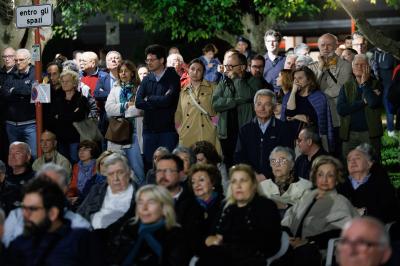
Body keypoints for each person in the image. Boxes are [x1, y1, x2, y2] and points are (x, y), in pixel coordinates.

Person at [281, 155, 359, 266]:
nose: (324, 180)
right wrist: (288, 236)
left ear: (337, 179)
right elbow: (288, 219)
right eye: (320, 175)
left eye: (330, 175)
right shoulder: (307, 197)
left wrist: (309, 241)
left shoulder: (340, 202)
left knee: (302, 253)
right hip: (292, 243)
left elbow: (344, 231)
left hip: (319, 251)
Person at [198, 164, 281, 266]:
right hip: (222, 255)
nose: (238, 186)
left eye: (243, 181)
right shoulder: (226, 206)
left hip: (252, 259)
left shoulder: (266, 205)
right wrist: (210, 240)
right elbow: (211, 235)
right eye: (234, 181)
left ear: (254, 184)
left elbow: (271, 243)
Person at [5, 178, 100, 266]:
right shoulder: (18, 244)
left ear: (52, 213)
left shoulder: (81, 240)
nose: (25, 215)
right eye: (24, 208)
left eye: (32, 209)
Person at [2, 163, 91, 248]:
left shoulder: (80, 227)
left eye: (52, 187)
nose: (45, 191)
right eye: (41, 185)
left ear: (65, 190)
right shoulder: (16, 216)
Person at [108, 185, 190, 266]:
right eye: (140, 202)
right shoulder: (129, 227)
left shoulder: (176, 234)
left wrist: (147, 236)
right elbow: (113, 258)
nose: (144, 208)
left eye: (151, 202)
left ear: (164, 207)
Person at [212, 52, 264, 168]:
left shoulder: (254, 81)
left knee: (246, 164)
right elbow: (215, 104)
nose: (228, 69)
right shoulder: (224, 81)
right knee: (228, 164)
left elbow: (246, 94)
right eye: (227, 66)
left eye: (231, 66)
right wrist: (235, 102)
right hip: (226, 133)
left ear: (242, 67)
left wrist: (236, 78)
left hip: (245, 132)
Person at [136, 44, 180, 172]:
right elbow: (138, 102)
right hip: (149, 130)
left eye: (152, 60)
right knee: (151, 166)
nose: (149, 62)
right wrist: (159, 101)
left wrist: (149, 98)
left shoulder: (173, 77)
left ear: (161, 60)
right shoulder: (147, 79)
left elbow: (168, 101)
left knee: (169, 165)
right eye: (147, 60)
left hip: (167, 130)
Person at [308, 33, 352, 157]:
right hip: (318, 117)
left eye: (329, 45)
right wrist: (321, 69)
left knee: (337, 152)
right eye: (323, 45)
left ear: (336, 46)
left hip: (336, 117)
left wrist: (319, 95)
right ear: (318, 46)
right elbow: (310, 89)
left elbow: (341, 89)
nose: (326, 48)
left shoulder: (346, 66)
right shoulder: (313, 67)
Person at [235, 89, 292, 181]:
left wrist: (266, 176)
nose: (262, 108)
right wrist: (253, 175)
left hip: (276, 180)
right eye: (259, 104)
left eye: (267, 104)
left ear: (273, 107)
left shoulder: (283, 129)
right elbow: (239, 156)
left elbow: (286, 156)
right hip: (251, 179)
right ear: (254, 107)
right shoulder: (245, 130)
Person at [337, 144, 400, 223]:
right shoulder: (341, 186)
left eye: (357, 158)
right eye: (349, 160)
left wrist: (365, 212)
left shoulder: (381, 184)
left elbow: (390, 211)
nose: (352, 161)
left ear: (369, 164)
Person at [105, 60, 145, 184]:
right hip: (117, 134)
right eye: (120, 71)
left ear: (132, 73)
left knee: (137, 170)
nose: (123, 74)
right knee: (118, 169)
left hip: (134, 134)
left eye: (125, 71)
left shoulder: (140, 88)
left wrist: (121, 110)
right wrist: (127, 105)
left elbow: (140, 110)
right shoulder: (115, 89)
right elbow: (109, 109)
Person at [337, 54, 383, 159]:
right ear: (352, 68)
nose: (359, 67)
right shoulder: (346, 86)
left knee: (372, 163)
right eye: (356, 64)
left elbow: (373, 103)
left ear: (369, 67)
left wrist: (364, 84)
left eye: (363, 65)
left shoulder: (376, 84)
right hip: (350, 134)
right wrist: (363, 102)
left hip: (369, 133)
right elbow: (341, 109)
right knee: (348, 164)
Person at [281, 66, 334, 152]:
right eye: (295, 78)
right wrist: (293, 92)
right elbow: (288, 114)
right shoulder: (289, 96)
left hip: (312, 142)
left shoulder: (319, 97)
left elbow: (317, 120)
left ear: (309, 80)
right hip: (292, 141)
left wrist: (296, 116)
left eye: (300, 78)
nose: (296, 81)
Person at [77, 153, 136, 229]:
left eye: (120, 172)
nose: (115, 178)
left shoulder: (135, 192)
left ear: (128, 173)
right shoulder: (96, 189)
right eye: (111, 174)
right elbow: (80, 212)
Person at [175, 58, 221, 154]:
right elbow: (178, 113)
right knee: (188, 164)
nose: (195, 72)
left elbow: (219, 109)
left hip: (207, 132)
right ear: (188, 70)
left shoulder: (213, 87)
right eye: (192, 69)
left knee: (209, 163)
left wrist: (215, 125)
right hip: (187, 134)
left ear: (203, 73)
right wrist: (179, 129)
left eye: (199, 70)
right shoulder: (183, 91)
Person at [1, 49, 37, 158]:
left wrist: (14, 90)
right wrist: (23, 90)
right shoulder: (11, 74)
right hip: (11, 124)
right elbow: (4, 92)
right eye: (16, 60)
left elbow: (33, 92)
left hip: (30, 124)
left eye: (21, 60)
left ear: (29, 60)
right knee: (15, 156)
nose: (17, 62)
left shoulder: (36, 72)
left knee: (33, 155)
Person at [184, 163, 224, 257]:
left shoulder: (225, 204)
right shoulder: (186, 206)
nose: (197, 185)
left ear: (212, 182)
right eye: (193, 182)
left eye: (201, 180)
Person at [52, 69, 90, 163]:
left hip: (76, 137)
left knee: (75, 161)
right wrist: (71, 115)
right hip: (61, 138)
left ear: (74, 83)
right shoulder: (58, 99)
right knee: (62, 163)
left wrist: (61, 117)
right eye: (63, 81)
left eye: (67, 81)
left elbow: (78, 116)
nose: (64, 84)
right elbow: (54, 116)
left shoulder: (81, 99)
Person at [260, 146, 312, 213]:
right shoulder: (262, 187)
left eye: (282, 160)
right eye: (273, 161)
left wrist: (285, 206)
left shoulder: (306, 186)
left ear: (292, 165)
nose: (277, 164)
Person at [94, 50, 123, 145]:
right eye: (110, 59)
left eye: (116, 58)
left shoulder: (126, 78)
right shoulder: (102, 79)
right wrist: (114, 93)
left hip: (123, 121)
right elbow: (97, 94)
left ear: (121, 62)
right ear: (107, 65)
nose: (113, 60)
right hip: (106, 122)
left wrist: (106, 94)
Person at [67, 140, 98, 207]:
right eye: (80, 150)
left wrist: (80, 198)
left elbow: (95, 187)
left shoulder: (98, 165)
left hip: (91, 198)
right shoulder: (76, 166)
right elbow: (73, 185)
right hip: (77, 197)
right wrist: (70, 197)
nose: (81, 152)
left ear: (93, 151)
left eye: (85, 149)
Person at [0, 47, 16, 162]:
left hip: (14, 119)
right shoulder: (1, 73)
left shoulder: (18, 73)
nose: (7, 59)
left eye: (10, 56)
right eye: (4, 57)